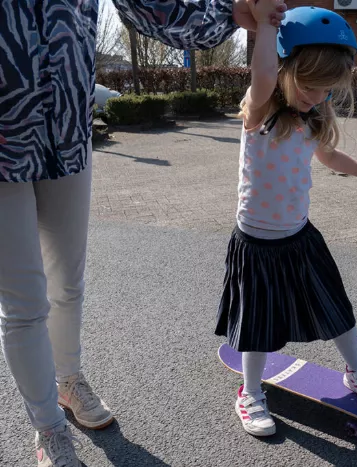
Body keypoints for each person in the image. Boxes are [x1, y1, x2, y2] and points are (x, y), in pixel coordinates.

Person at [0, 1, 286, 466]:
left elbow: (152, 6)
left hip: (67, 135)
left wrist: (234, 14)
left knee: (68, 284)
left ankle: (68, 382)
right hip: (4, 142)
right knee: (24, 303)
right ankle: (49, 429)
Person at [214, 3, 357, 437]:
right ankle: (251, 392)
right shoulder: (260, 111)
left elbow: (329, 155)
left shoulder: (311, 118)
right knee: (257, 324)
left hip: (299, 236)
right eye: (311, 87)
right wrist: (261, 27)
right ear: (285, 68)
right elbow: (261, 78)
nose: (317, 98)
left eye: (327, 91)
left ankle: (356, 371)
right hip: (256, 242)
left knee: (336, 307)